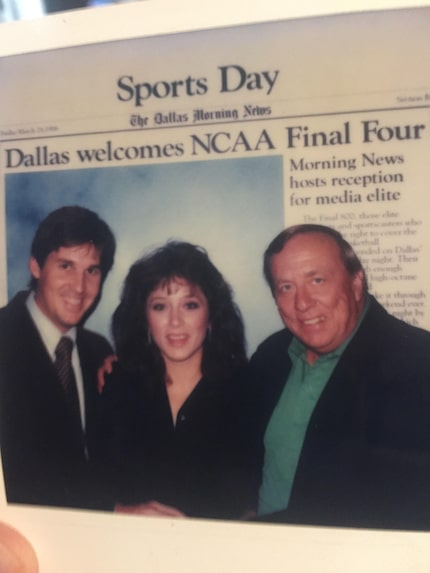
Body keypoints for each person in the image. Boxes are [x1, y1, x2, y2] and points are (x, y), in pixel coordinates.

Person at [249, 223, 430, 529]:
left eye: (317, 280)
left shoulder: (417, 362)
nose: (302, 303)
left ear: (356, 282)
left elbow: (396, 503)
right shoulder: (271, 355)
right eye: (286, 287)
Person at [98, 241, 253, 519]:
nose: (175, 322)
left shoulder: (247, 390)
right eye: (160, 307)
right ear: (144, 319)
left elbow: (252, 502)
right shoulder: (117, 383)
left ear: (211, 316)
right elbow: (92, 483)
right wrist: (121, 512)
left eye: (190, 305)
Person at [0, 206, 116, 509]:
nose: (79, 287)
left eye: (91, 270)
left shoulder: (99, 352)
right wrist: (114, 512)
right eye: (66, 266)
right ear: (36, 267)